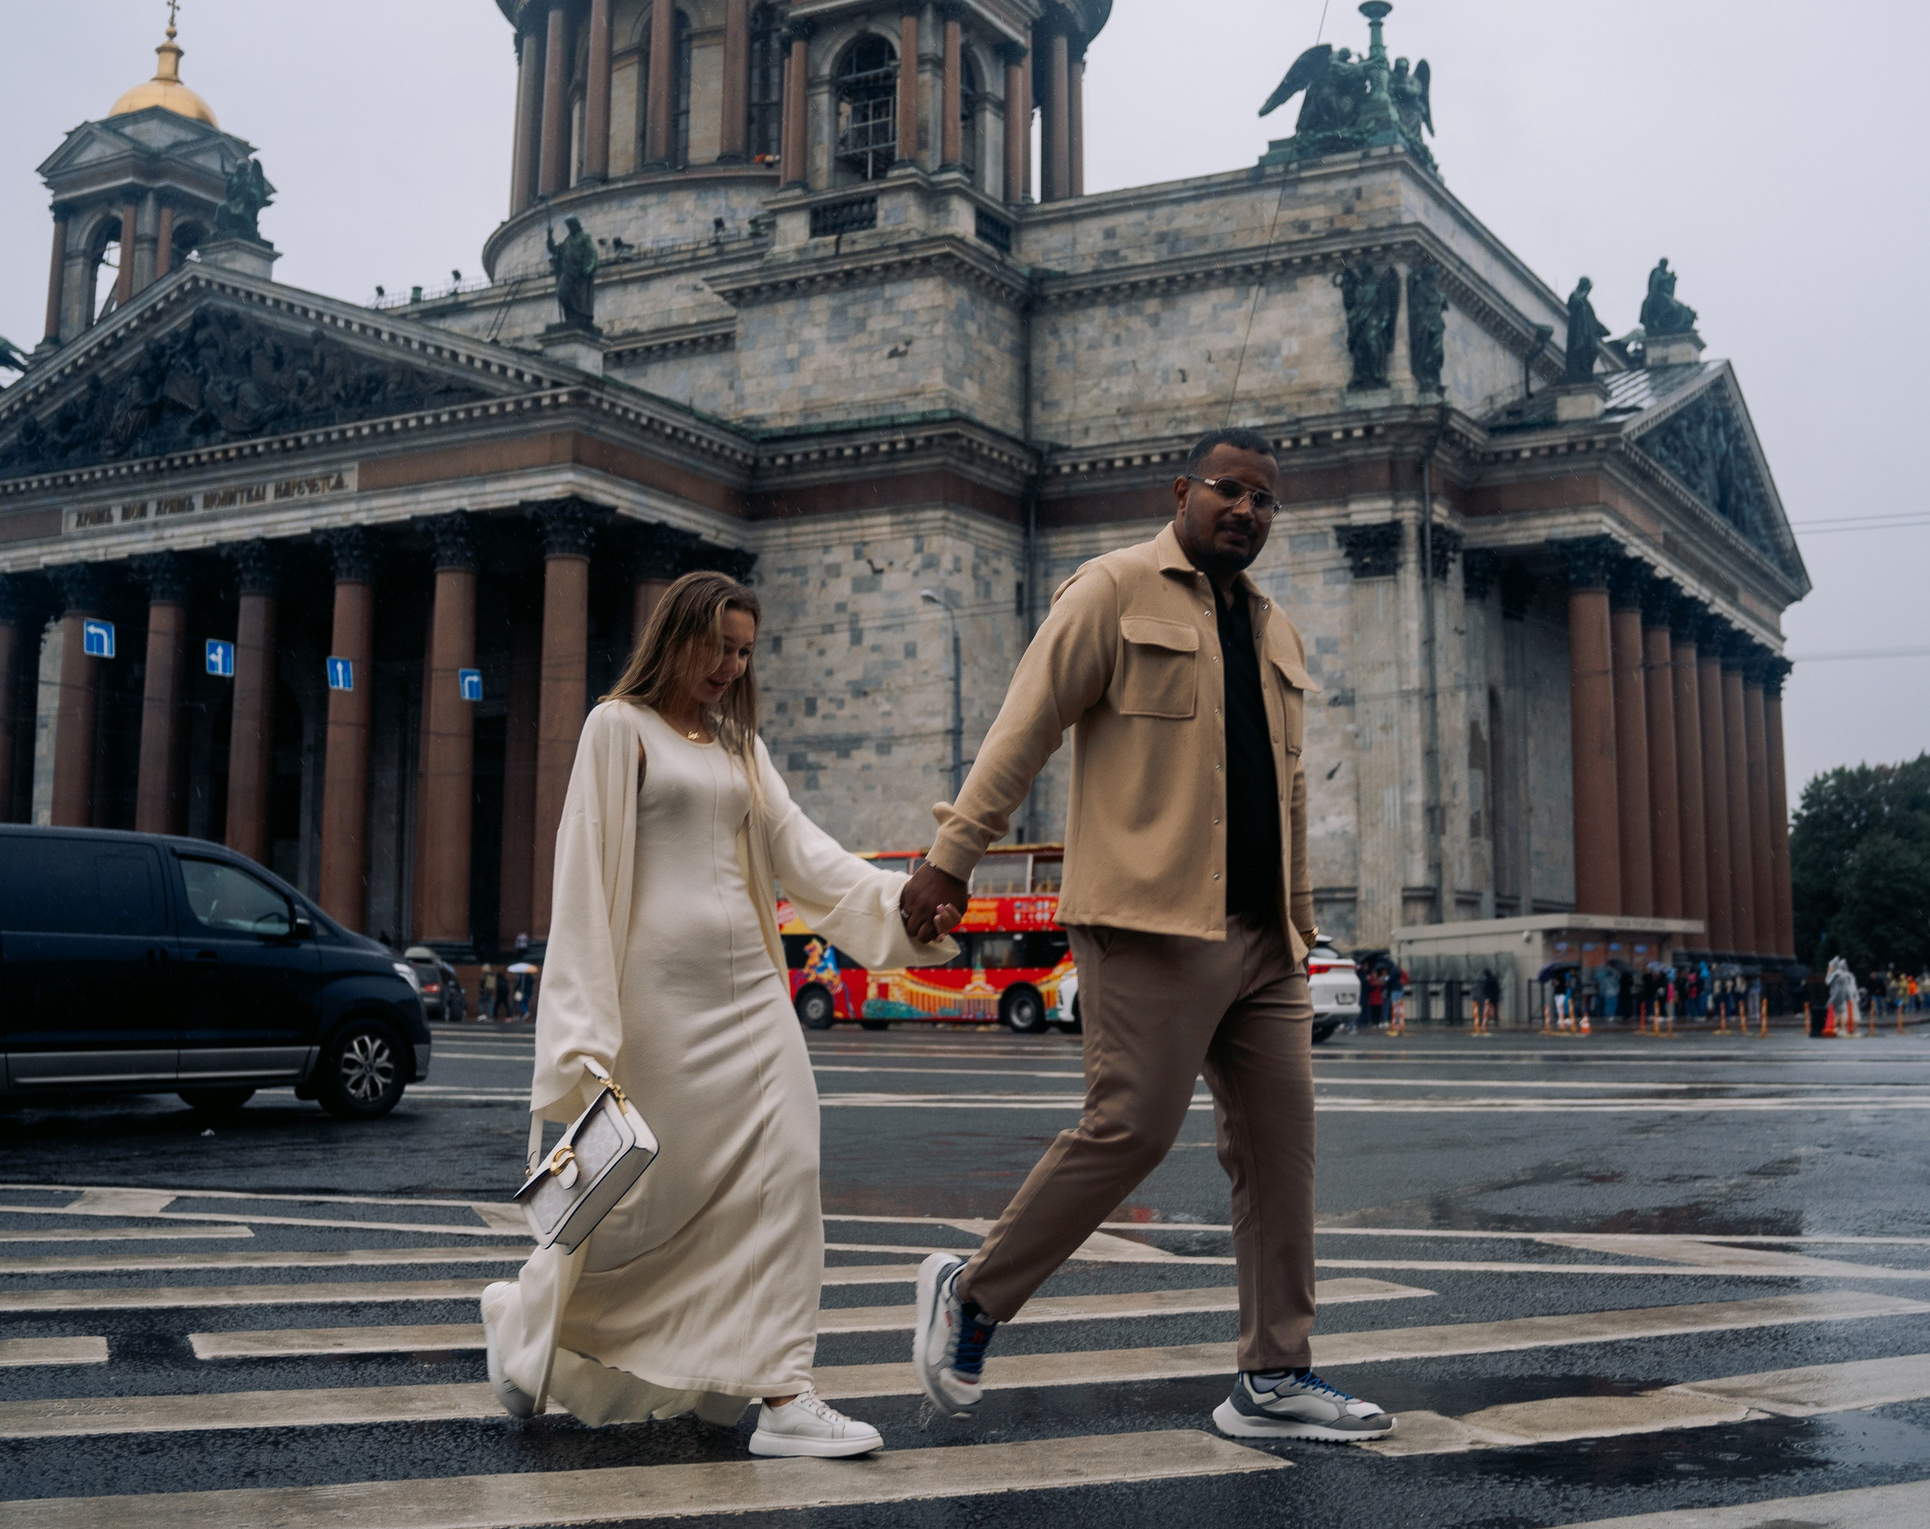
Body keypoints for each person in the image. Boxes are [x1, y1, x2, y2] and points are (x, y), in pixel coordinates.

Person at [897, 426, 1395, 1443]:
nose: (1246, 510)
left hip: (1263, 935)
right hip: (1147, 921)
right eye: (1229, 490)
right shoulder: (1112, 589)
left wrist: (1297, 924)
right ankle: (973, 1291)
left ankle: (1272, 1373)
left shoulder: (1277, 630)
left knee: (1281, 1152)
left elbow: (1287, 790)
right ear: (1181, 490)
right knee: (1130, 1126)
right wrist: (953, 854)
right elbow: (1025, 722)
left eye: (1264, 499)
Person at [480, 571, 961, 1459]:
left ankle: (784, 1391)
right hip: (656, 1011)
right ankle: (522, 1326)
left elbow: (807, 857)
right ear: (679, 636)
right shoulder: (615, 728)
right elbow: (583, 876)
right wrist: (584, 1032)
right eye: (721, 647)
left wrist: (901, 903)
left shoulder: (743, 746)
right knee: (640, 1205)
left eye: (746, 652)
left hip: (751, 1000)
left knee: (787, 1168)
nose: (733, 667)